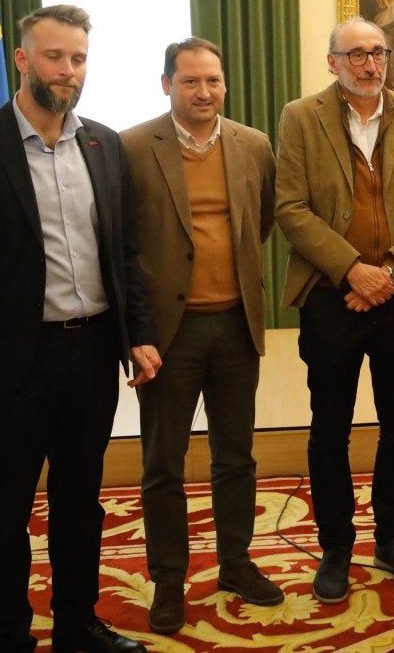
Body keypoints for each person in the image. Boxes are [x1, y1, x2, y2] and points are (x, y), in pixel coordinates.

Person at [0, 4, 160, 653]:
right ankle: (9, 638)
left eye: (79, 58)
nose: (68, 70)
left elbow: (125, 250)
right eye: (55, 56)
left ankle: (77, 625)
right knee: (3, 515)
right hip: (8, 366)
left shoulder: (103, 143)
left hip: (90, 356)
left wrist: (137, 332)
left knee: (80, 503)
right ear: (23, 59)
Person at [275, 17, 394, 605]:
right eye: (356, 55)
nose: (370, 64)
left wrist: (391, 271)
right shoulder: (301, 118)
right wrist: (352, 269)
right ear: (332, 62)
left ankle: (392, 539)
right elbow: (291, 208)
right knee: (331, 429)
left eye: (378, 53)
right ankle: (335, 547)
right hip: (332, 299)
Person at [120, 39, 280, 634]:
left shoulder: (254, 145)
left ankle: (236, 564)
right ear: (167, 85)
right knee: (164, 462)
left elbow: (260, 222)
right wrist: (135, 333)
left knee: (235, 456)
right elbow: (123, 245)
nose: (204, 92)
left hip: (236, 325)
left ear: (225, 85)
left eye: (213, 80)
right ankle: (168, 581)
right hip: (168, 334)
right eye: (190, 81)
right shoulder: (133, 147)